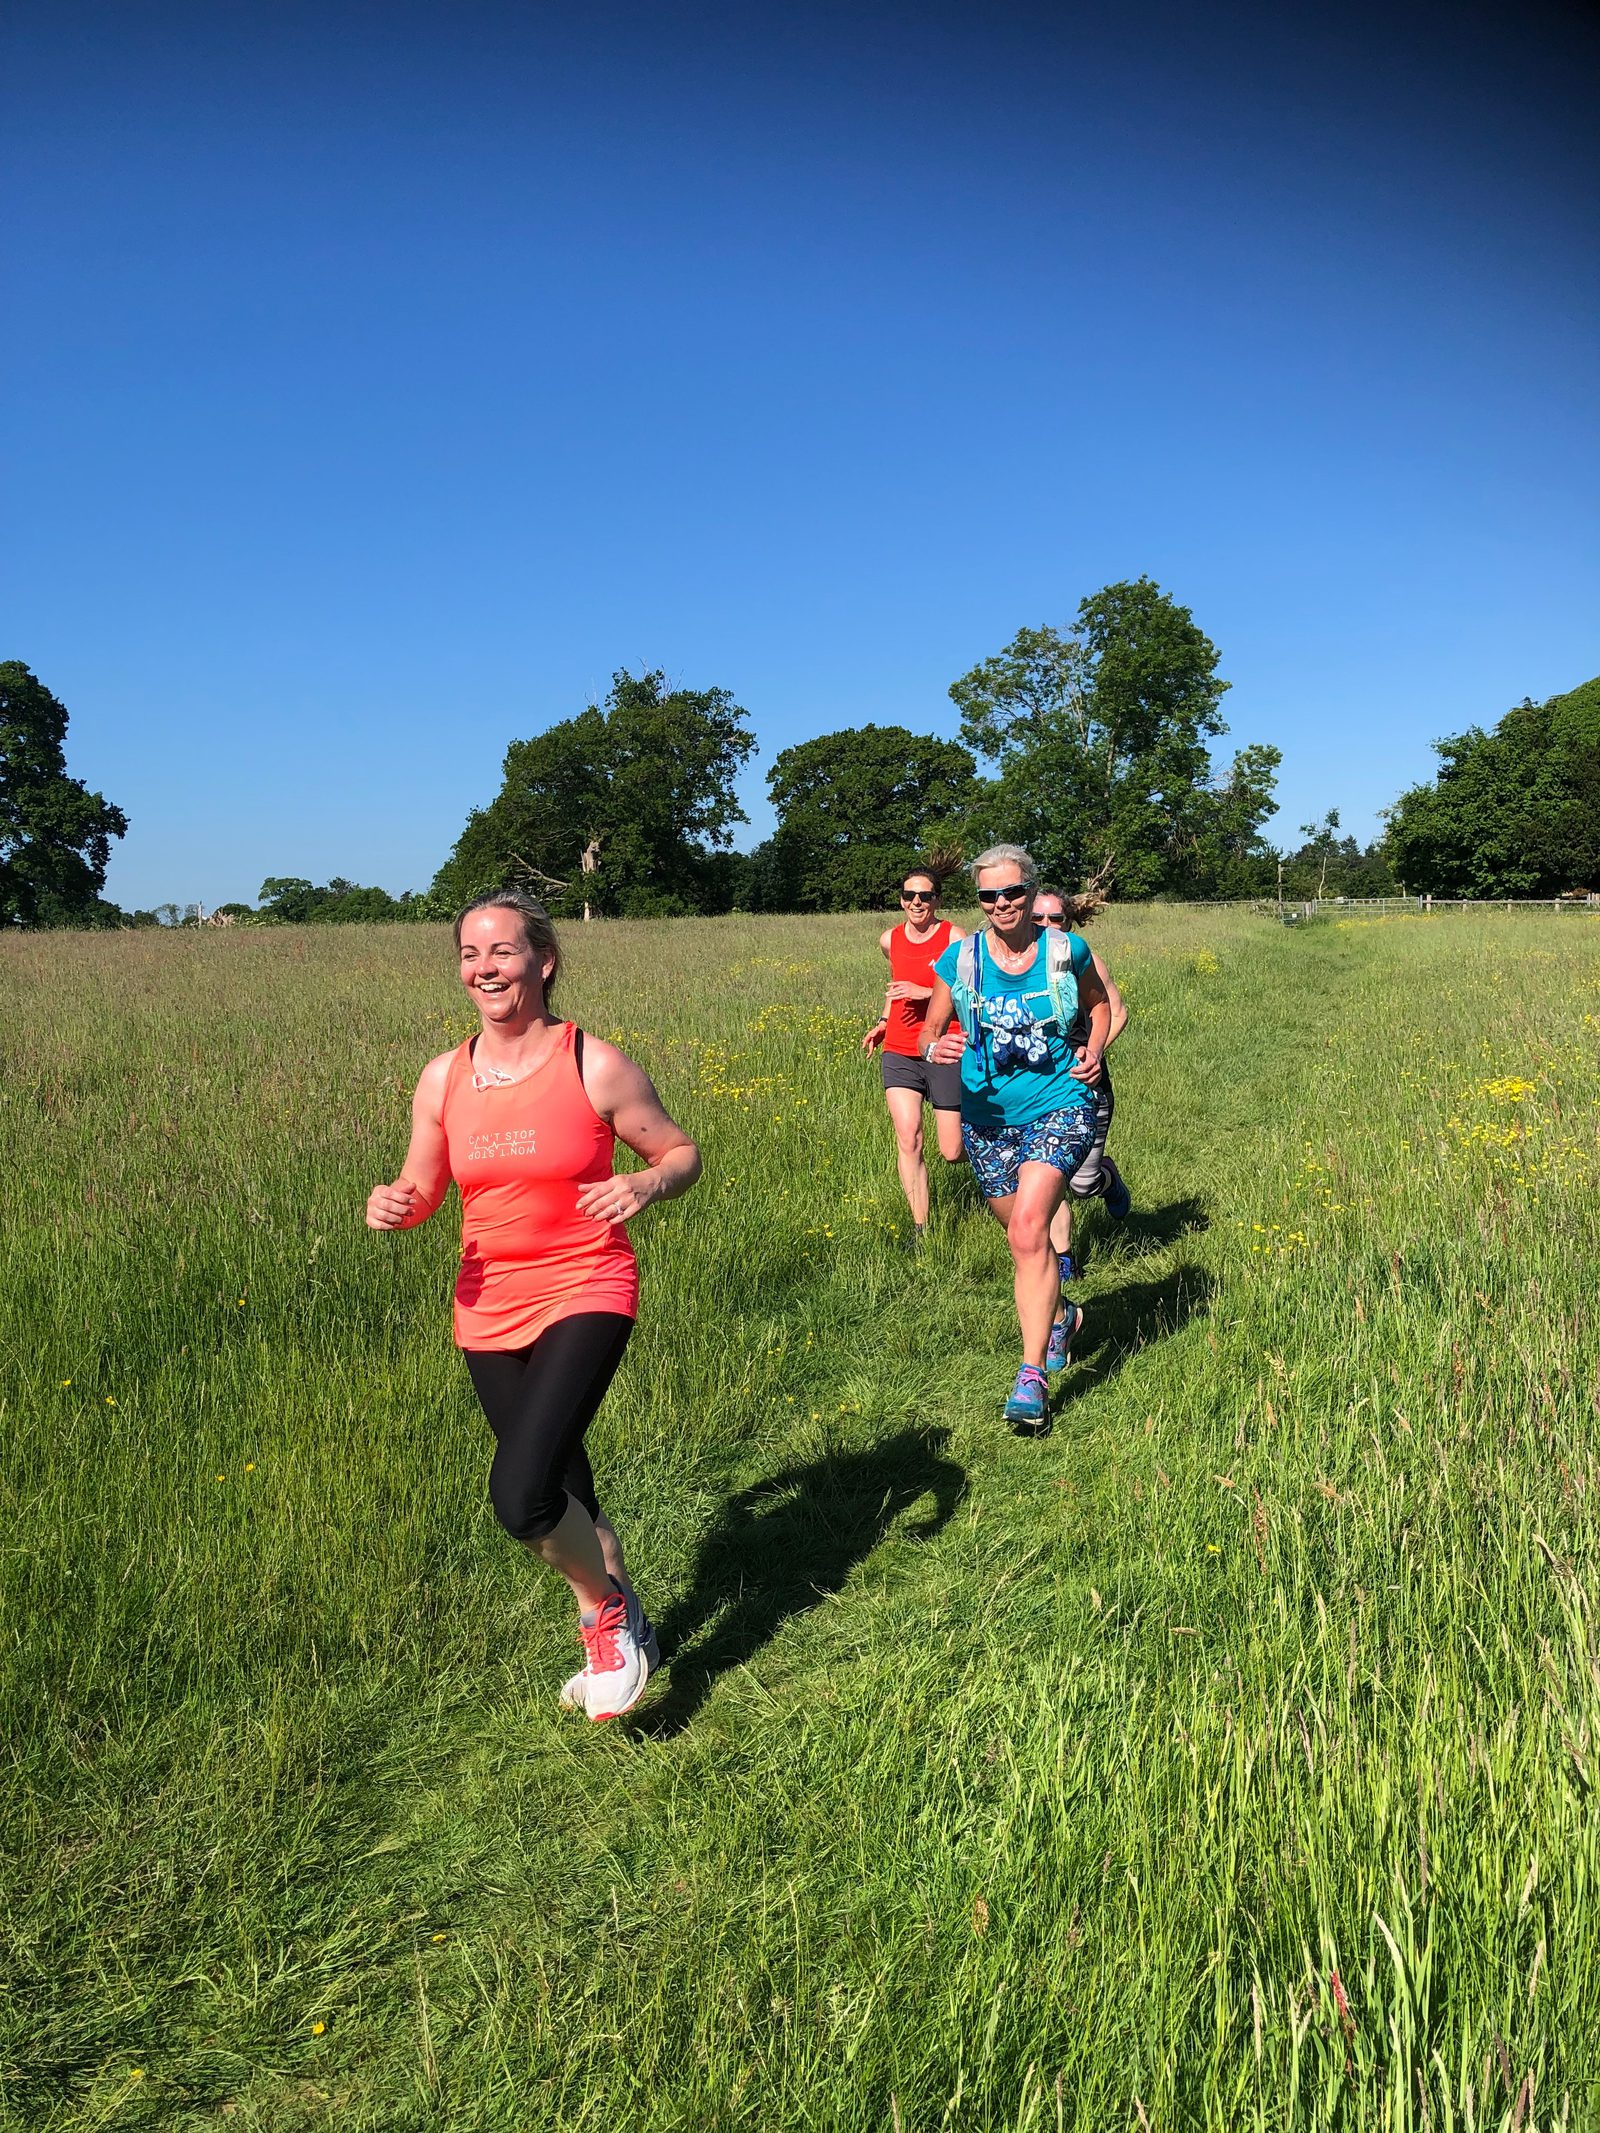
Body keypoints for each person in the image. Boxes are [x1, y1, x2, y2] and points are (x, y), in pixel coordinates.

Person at [365, 889, 702, 1722]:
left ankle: (604, 1616)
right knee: (566, 1488)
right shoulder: (444, 1076)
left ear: (543, 961)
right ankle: (632, 1618)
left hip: (587, 1284)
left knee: (521, 1496)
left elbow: (682, 1150)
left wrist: (648, 1180)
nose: (485, 968)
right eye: (471, 955)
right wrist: (398, 1202)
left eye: (503, 952)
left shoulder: (594, 1062)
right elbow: (426, 1181)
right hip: (486, 1304)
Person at [921, 846, 1111, 1432]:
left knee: (1030, 1229)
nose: (1001, 904)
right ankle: (1063, 1314)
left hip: (1060, 1104)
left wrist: (1095, 1050)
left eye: (1012, 892)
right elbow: (932, 1026)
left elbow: (1099, 1006)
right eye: (988, 895)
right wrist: (937, 1048)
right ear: (977, 901)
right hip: (987, 1120)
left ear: (1031, 892)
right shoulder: (960, 960)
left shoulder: (1063, 951)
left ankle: (1031, 1377)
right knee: (1022, 1238)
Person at [860, 867, 967, 1242]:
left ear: (938, 899)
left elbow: (969, 995)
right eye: (909, 896)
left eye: (924, 896)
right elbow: (895, 989)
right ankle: (921, 1229)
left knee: (952, 1151)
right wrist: (883, 1021)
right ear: (901, 899)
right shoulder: (889, 939)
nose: (916, 903)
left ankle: (1000, 1156)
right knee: (909, 1138)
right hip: (900, 1050)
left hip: (943, 1046)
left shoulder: (954, 937)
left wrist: (926, 993)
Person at [1033, 888, 1132, 1287]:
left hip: (1084, 1085)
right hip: (1037, 1090)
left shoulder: (1081, 958)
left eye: (1055, 919)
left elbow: (1118, 1012)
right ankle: (1063, 1257)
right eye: (1038, 919)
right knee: (1048, 1176)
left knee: (1082, 1183)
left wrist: (1092, 1054)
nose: (1046, 927)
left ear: (1067, 923)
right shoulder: (1014, 964)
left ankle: (1107, 1179)